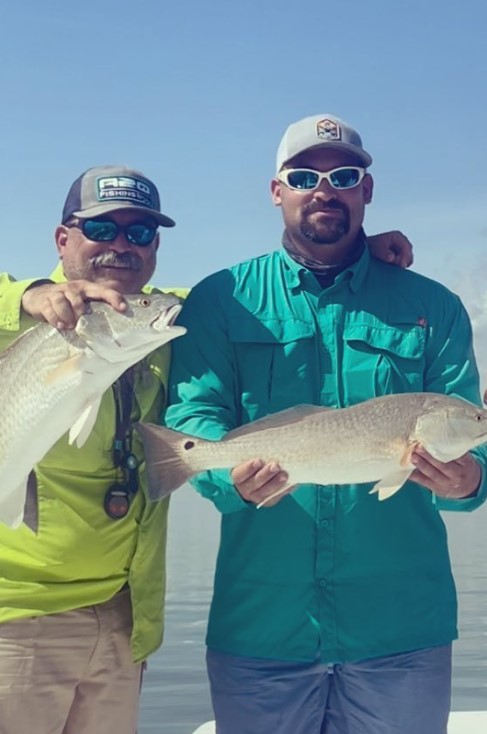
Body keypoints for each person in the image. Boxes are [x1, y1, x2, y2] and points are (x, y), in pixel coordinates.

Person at [164, 114, 487, 734]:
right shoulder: (221, 298)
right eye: (303, 175)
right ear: (276, 190)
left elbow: (470, 431)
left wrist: (469, 482)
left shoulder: (434, 307)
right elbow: (191, 414)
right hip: (261, 629)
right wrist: (227, 481)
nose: (324, 188)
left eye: (343, 175)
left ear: (366, 189)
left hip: (403, 631)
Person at [0, 165, 187, 734]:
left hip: (124, 619)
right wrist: (25, 294)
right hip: (18, 622)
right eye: (102, 229)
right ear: (64, 239)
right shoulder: (20, 318)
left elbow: (243, 296)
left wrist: (354, 250)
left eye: (140, 234)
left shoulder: (157, 320)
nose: (121, 246)